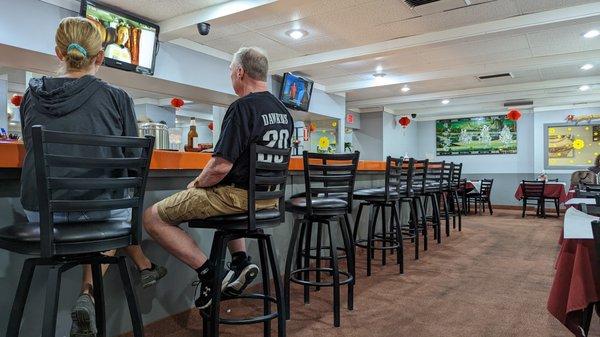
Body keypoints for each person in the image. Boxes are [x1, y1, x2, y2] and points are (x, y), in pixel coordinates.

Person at [19, 17, 166, 337]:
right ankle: (91, 292)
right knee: (114, 212)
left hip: (41, 215)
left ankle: (120, 278)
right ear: (100, 57)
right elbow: (132, 165)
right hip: (99, 213)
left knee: (105, 212)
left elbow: (29, 146)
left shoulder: (30, 95)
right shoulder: (118, 98)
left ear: (59, 52)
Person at [143, 46, 293, 309]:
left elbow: (219, 168)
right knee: (224, 194)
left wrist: (197, 183)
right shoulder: (284, 113)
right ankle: (240, 262)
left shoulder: (242, 108)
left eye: (230, 72)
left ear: (240, 71)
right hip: (267, 200)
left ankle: (211, 273)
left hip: (238, 199)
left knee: (152, 217)